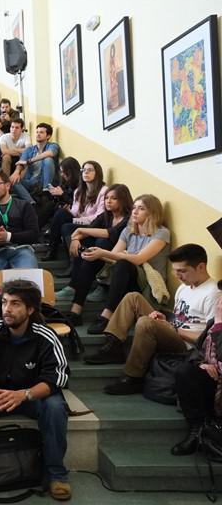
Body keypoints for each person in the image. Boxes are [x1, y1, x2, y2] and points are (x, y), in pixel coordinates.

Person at [0, 279, 71, 501]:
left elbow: (57, 378)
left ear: (30, 309)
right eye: (4, 302)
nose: (7, 309)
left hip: (32, 397)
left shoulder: (46, 336)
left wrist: (24, 394)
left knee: (55, 406)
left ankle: (56, 474)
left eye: (15, 304)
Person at [86, 245, 220, 391]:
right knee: (133, 297)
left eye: (182, 271)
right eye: (175, 270)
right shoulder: (184, 287)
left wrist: (173, 329)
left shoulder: (213, 294)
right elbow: (181, 319)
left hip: (189, 348)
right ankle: (113, 344)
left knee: (146, 323)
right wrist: (165, 320)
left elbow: (210, 340)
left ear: (201, 267)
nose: (177, 276)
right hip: (174, 332)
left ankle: (133, 377)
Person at [80, 194, 171, 335]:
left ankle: (106, 316)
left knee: (123, 263)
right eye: (134, 208)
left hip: (147, 283)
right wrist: (94, 254)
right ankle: (76, 310)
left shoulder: (161, 233)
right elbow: (112, 256)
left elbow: (139, 259)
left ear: (152, 213)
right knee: (92, 259)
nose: (135, 212)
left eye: (141, 208)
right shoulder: (129, 231)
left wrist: (104, 252)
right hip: (125, 276)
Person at [57, 184, 133, 325]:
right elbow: (89, 229)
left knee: (100, 242)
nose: (108, 201)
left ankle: (76, 307)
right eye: (107, 198)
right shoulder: (105, 216)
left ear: (123, 200)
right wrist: (76, 239)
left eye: (114, 198)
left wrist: (80, 231)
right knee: (87, 249)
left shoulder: (129, 219)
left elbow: (111, 233)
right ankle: (76, 309)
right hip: (97, 257)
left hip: (117, 258)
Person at [172, 287, 222, 456]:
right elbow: (199, 349)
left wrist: (219, 325)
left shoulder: (218, 324)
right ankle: (197, 430)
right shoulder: (214, 323)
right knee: (185, 371)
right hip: (215, 380)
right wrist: (202, 364)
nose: (219, 304)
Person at [10, 123, 60, 204]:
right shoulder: (29, 150)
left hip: (45, 182)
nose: (38, 134)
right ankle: (31, 202)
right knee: (14, 181)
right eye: (37, 132)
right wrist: (16, 172)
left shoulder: (53, 146)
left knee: (48, 159)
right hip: (32, 181)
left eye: (41, 132)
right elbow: (21, 163)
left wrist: (30, 161)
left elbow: (50, 153)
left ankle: (46, 192)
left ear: (48, 136)